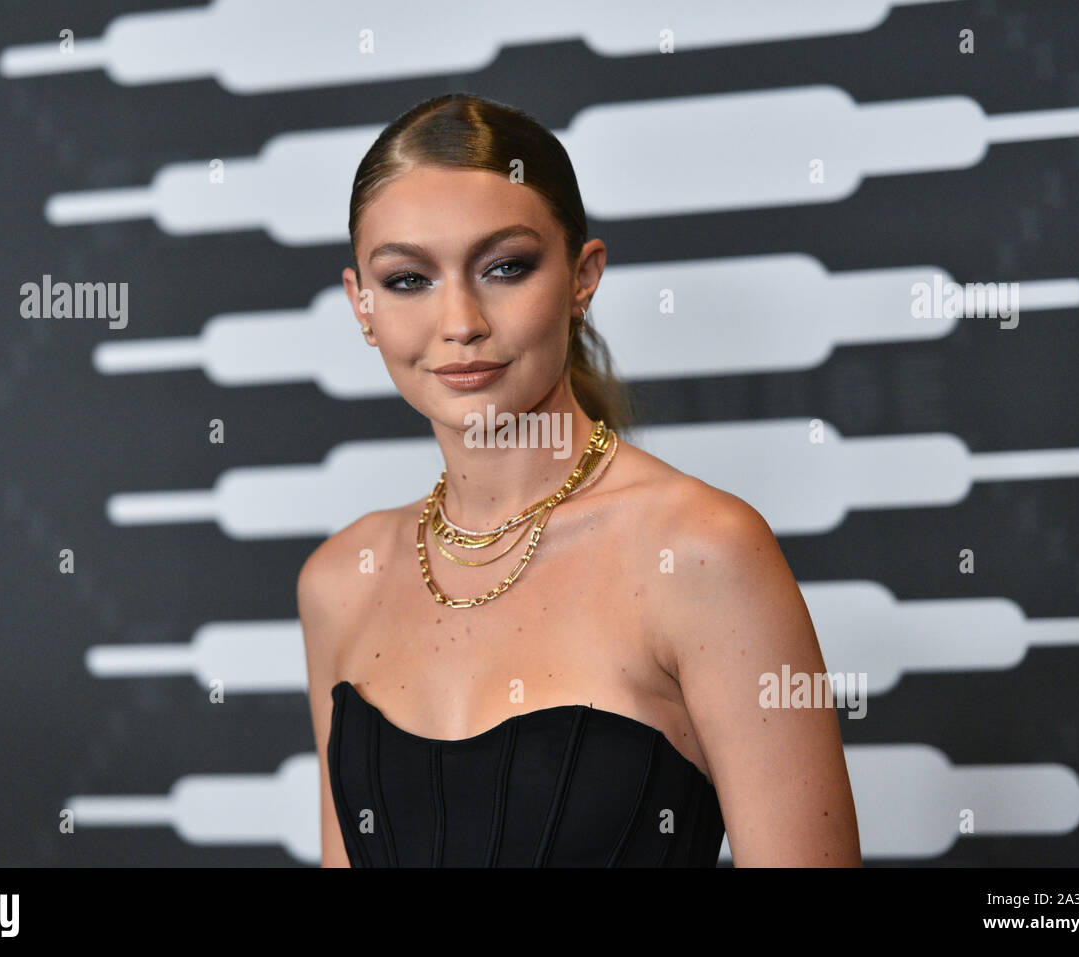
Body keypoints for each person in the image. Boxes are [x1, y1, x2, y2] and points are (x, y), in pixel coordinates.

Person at [297, 92, 861, 867]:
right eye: (407, 280)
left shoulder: (703, 552)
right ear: (361, 304)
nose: (460, 321)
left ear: (582, 277)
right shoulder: (339, 581)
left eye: (505, 267)